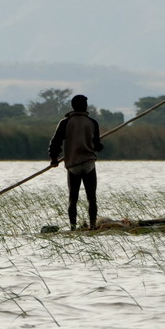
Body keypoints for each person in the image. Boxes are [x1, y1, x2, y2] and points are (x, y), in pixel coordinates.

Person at [48, 94, 103, 230]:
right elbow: (97, 147)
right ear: (85, 106)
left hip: (73, 164)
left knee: (73, 198)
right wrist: (99, 145)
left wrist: (54, 159)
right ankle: (93, 226)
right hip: (88, 163)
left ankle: (73, 227)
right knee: (92, 198)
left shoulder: (65, 123)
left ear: (73, 106)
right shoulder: (92, 122)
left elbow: (55, 143)